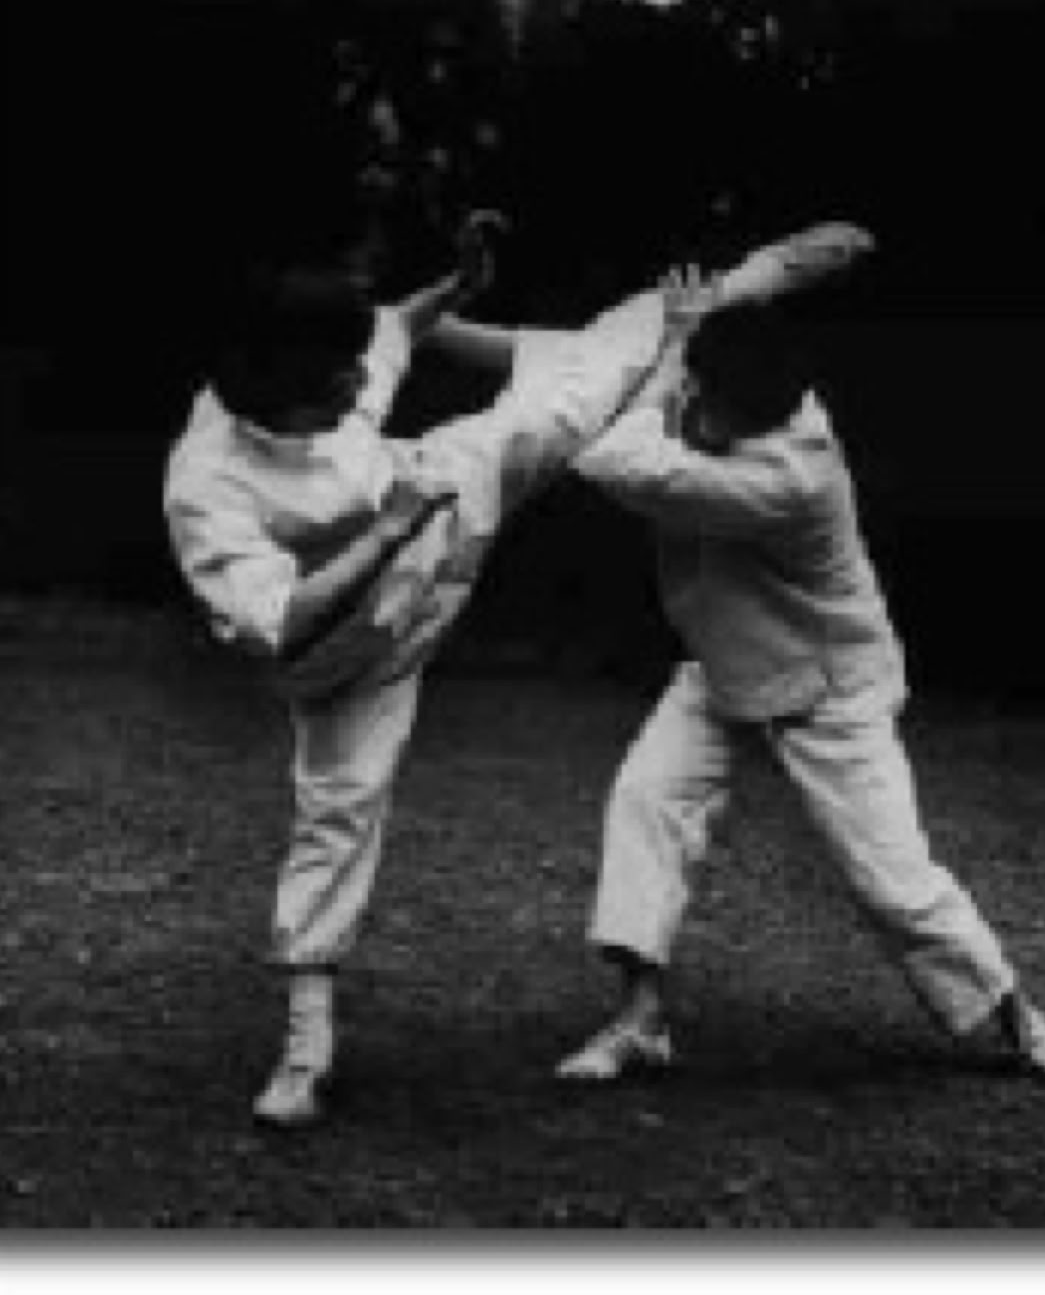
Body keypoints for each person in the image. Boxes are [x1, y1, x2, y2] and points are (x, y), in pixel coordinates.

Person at [164, 217, 677, 1126]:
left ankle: (679, 313)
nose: (367, 385)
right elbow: (279, 624)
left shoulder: (323, 366)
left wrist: (461, 283)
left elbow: (392, 328)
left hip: (443, 514)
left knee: (549, 412)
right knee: (337, 812)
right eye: (342, 383)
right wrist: (386, 531)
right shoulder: (207, 486)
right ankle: (305, 1049)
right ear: (281, 389)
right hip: (348, 659)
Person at [556, 272, 1045, 1088]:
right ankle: (640, 1020)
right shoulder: (726, 385)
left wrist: (669, 344)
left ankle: (1023, 1021)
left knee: (891, 879)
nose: (716, 430)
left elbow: (606, 453)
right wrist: (681, 331)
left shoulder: (787, 474)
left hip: (825, 686)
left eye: (730, 422)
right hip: (721, 664)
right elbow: (665, 390)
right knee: (645, 805)